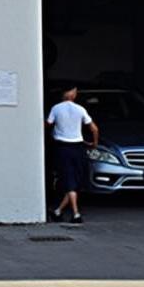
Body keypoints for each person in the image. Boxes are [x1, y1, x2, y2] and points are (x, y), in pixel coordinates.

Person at [46, 83, 99, 225]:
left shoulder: (56, 108)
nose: (76, 94)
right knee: (74, 180)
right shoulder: (80, 109)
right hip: (78, 148)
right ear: (70, 93)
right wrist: (93, 144)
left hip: (62, 148)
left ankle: (75, 214)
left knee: (68, 180)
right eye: (75, 91)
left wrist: (52, 133)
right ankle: (59, 211)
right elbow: (94, 129)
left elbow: (47, 124)